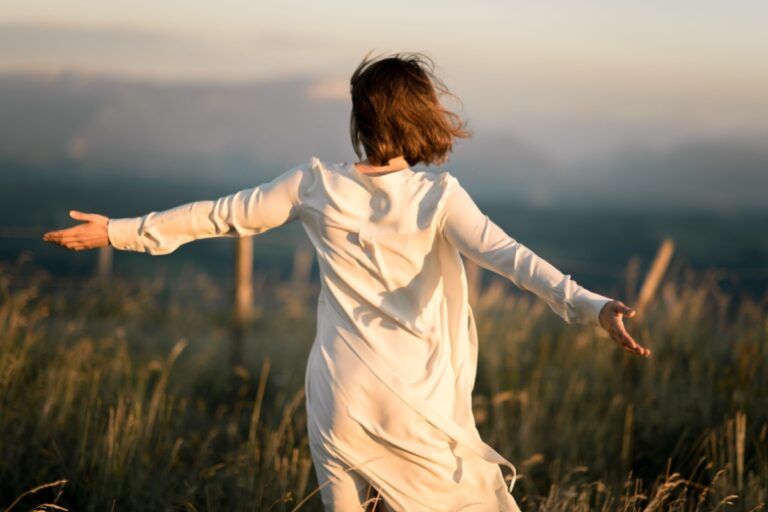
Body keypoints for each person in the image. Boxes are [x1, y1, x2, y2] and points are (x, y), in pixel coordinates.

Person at [42, 52, 651, 512]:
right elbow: (511, 258)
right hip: (415, 399)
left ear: (361, 119)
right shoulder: (438, 196)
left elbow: (218, 216)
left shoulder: (312, 185)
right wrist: (591, 307)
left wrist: (118, 230)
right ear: (416, 118)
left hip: (341, 392)